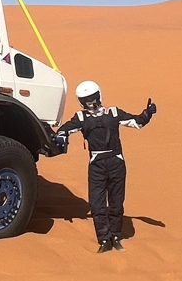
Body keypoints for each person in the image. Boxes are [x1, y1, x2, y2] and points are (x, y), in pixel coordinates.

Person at [54, 81, 157, 253]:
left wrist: (147, 114)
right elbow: (64, 130)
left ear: (98, 97)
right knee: (97, 205)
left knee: (116, 203)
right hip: (97, 165)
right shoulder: (81, 118)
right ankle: (104, 239)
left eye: (91, 99)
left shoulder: (114, 113)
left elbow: (136, 122)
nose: (90, 103)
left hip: (116, 162)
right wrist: (61, 137)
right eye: (86, 100)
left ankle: (115, 236)